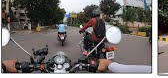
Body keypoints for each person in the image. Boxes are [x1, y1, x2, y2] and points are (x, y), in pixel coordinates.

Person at [2, 59, 151, 73]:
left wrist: (3, 67)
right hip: (99, 45)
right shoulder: (101, 22)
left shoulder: (92, 22)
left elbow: (85, 26)